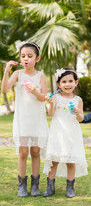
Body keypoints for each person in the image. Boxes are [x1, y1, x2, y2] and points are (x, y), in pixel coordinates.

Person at [1, 42, 48, 197]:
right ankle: (21, 185)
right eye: (23, 56)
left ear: (37, 58)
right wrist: (7, 70)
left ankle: (35, 185)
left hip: (37, 120)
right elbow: (4, 89)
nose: (26, 59)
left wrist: (35, 91)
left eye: (30, 56)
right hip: (22, 119)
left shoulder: (41, 76)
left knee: (35, 151)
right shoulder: (18, 74)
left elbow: (44, 98)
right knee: (22, 152)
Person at [43, 67, 88, 198]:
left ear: (76, 83)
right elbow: (51, 114)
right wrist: (51, 104)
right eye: (64, 81)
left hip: (72, 133)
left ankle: (70, 188)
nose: (67, 84)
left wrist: (78, 113)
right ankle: (50, 187)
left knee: (70, 160)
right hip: (58, 132)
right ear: (59, 84)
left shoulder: (78, 99)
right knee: (54, 159)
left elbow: (81, 119)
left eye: (70, 81)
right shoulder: (56, 97)